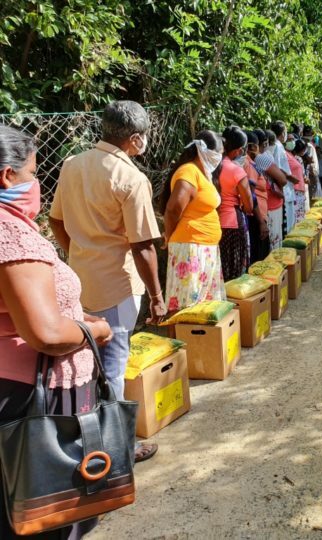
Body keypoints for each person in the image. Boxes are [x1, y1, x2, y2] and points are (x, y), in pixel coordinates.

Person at [1, 125, 113, 538]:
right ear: (6, 177)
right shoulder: (10, 234)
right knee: (48, 509)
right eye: (32, 173)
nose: (37, 183)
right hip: (30, 397)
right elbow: (45, 333)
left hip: (16, 390)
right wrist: (93, 329)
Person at [49, 101, 164, 462]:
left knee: (84, 365)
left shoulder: (72, 165)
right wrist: (158, 296)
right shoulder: (131, 179)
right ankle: (116, 448)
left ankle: (85, 438)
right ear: (134, 139)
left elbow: (55, 221)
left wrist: (78, 253)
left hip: (78, 283)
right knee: (113, 367)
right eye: (143, 137)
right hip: (117, 287)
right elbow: (143, 246)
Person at [160, 130, 226, 312]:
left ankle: (202, 341)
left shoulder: (203, 173)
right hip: (191, 249)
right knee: (188, 305)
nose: (219, 157)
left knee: (204, 308)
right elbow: (173, 209)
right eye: (217, 152)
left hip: (205, 248)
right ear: (203, 150)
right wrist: (169, 236)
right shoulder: (188, 171)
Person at [218, 126, 253, 281]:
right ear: (239, 150)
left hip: (213, 222)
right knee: (234, 269)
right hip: (233, 223)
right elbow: (249, 206)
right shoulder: (236, 171)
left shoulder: (210, 166)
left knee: (218, 268)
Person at [253, 129, 288, 249]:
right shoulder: (261, 157)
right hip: (271, 203)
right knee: (273, 242)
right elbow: (282, 179)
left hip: (266, 203)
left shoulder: (256, 158)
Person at [242, 130, 270, 262]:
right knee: (258, 258)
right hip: (254, 217)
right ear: (253, 147)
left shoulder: (246, 162)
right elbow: (251, 195)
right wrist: (261, 222)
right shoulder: (248, 164)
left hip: (254, 215)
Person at [270, 121, 300, 234]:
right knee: (287, 224)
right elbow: (277, 167)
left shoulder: (277, 146)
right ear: (282, 133)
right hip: (284, 186)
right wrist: (290, 177)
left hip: (287, 187)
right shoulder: (277, 146)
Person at [289, 138, 308, 223]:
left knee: (295, 215)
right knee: (299, 217)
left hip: (294, 188)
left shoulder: (289, 156)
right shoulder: (298, 159)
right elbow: (303, 175)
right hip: (298, 189)